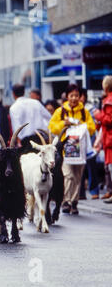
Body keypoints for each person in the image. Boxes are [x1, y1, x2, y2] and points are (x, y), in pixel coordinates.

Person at [49, 84, 96, 215]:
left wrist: (81, 125)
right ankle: (66, 201)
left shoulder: (84, 112)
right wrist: (64, 123)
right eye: (71, 95)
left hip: (80, 150)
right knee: (68, 175)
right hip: (66, 149)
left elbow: (92, 128)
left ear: (80, 97)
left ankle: (74, 202)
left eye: (76, 95)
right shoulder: (60, 111)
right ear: (67, 96)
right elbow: (52, 127)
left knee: (77, 177)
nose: (74, 98)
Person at [9, 84, 52, 151]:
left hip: (26, 141)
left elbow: (17, 127)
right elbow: (49, 118)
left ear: (13, 94)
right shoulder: (36, 102)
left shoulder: (14, 107)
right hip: (40, 138)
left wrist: (18, 141)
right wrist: (45, 129)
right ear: (24, 92)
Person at [94, 76, 112, 203]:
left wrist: (98, 115)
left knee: (110, 167)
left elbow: (109, 119)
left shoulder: (108, 101)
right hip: (108, 138)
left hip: (110, 139)